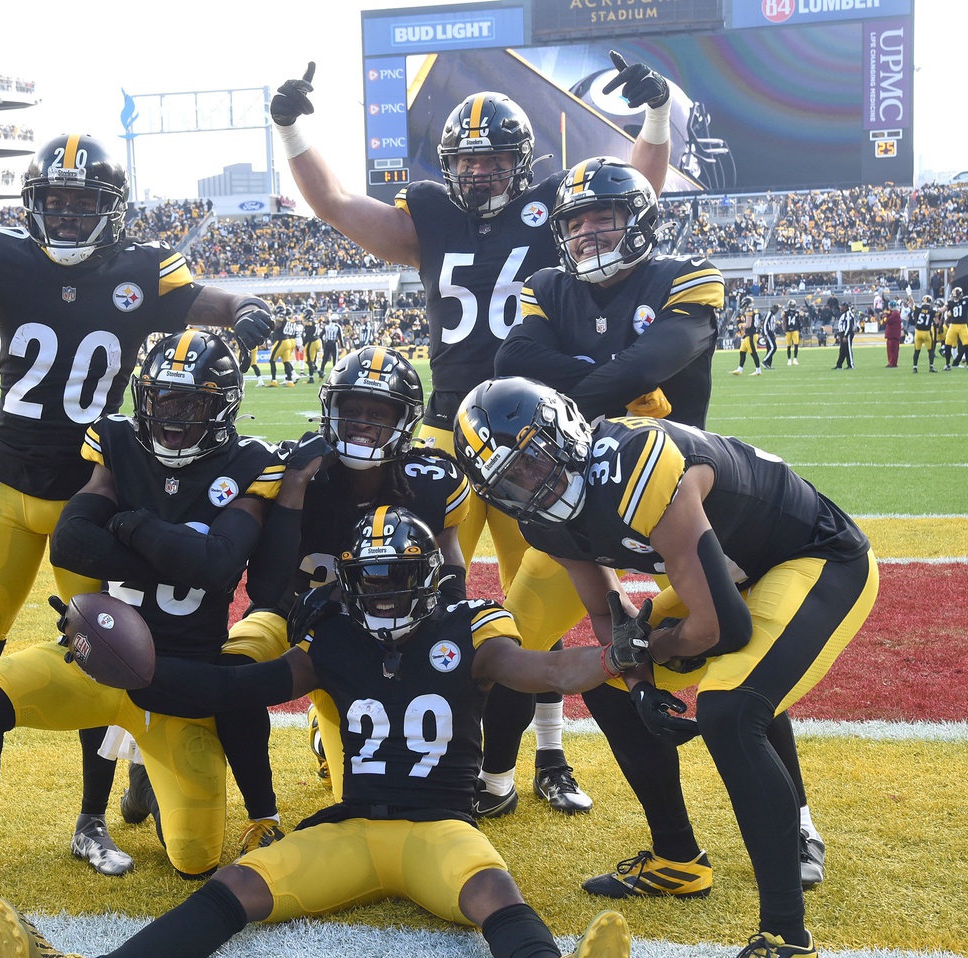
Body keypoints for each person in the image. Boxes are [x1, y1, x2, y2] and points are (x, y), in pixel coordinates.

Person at [0, 506, 653, 958]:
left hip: (441, 827)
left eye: (397, 577)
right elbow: (238, 686)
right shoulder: (335, 637)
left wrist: (616, 656)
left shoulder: (471, 630)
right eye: (372, 578)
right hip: (354, 828)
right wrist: (142, 674)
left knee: (491, 889)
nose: (384, 591)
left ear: (427, 576)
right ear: (351, 580)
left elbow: (552, 673)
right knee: (238, 883)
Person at [269, 54, 675, 813]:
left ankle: (549, 755)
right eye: (467, 159)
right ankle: (381, 728)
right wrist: (290, 126)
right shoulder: (429, 217)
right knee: (409, 581)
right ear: (448, 165)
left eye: (493, 159)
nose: (481, 172)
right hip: (446, 432)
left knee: (542, 603)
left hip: (534, 440)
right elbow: (332, 202)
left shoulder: (556, 214)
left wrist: (653, 119)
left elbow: (635, 185)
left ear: (522, 163)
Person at [0, 134, 275, 885]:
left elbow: (212, 300)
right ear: (33, 205)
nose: (65, 214)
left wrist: (248, 305)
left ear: (108, 210)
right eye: (54, 201)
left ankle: (89, 818)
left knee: (105, 649)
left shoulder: (141, 268)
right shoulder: (0, 254)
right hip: (6, 488)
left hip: (93, 490)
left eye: (81, 201)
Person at [454, 377, 878, 958]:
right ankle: (678, 857)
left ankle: (788, 941)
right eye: (513, 480)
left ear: (565, 431)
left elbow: (720, 628)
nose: (533, 485)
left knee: (734, 712)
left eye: (536, 460)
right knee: (610, 684)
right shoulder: (545, 523)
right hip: (730, 571)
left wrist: (643, 655)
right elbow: (605, 614)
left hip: (812, 556)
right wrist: (635, 677)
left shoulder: (636, 464)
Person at [0, 330, 293, 958]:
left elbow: (216, 569)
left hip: (181, 679)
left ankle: (148, 779)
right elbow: (72, 543)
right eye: (160, 400)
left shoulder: (252, 462)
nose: (170, 417)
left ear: (222, 404)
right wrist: (173, 548)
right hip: (95, 659)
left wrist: (130, 525)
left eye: (188, 403)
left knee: (195, 861)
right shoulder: (119, 442)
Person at [489, 155, 722, 816]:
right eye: (577, 220)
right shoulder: (547, 285)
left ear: (640, 220)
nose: (588, 231)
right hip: (579, 503)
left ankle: (794, 822)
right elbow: (514, 360)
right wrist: (612, 376)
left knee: (741, 652)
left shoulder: (686, 276)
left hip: (677, 497)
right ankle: (493, 777)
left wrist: (582, 383)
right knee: (518, 634)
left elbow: (656, 358)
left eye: (604, 216)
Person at [223, 345, 471, 800]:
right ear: (330, 409)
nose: (361, 422)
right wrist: (296, 487)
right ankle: (262, 812)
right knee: (233, 666)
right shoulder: (293, 468)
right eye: (352, 409)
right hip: (288, 615)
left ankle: (328, 726)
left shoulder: (431, 479)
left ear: (405, 421)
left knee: (363, 794)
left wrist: (451, 617)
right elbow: (265, 580)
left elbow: (450, 560)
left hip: (376, 632)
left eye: (378, 413)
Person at [730, 296, 760, 376]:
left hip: (751, 334)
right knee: (742, 352)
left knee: (753, 353)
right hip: (750, 334)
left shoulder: (749, 310)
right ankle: (740, 369)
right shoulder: (754, 310)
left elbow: (748, 325)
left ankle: (758, 370)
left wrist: (741, 325)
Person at [910, 295, 936, 372]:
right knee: (931, 351)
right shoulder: (932, 311)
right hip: (927, 333)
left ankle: (915, 367)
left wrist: (910, 295)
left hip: (918, 332)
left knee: (917, 351)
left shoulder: (918, 309)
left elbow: (912, 304)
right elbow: (937, 316)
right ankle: (931, 367)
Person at [833, 303, 858, 370]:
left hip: (847, 333)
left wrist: (845, 335)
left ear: (845, 307)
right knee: (843, 350)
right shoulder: (845, 314)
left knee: (848, 349)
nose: (840, 308)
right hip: (843, 333)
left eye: (841, 306)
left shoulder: (847, 314)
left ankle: (851, 365)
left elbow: (848, 326)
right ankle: (839, 365)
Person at [782, 299, 805, 366]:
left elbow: (799, 321)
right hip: (789, 331)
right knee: (790, 346)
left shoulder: (787, 312)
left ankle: (793, 359)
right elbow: (784, 322)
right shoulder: (794, 312)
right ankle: (790, 359)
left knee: (795, 345)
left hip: (793, 330)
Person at [883, 298, 902, 368]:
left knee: (893, 350)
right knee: (890, 350)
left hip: (893, 335)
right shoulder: (894, 313)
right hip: (891, 335)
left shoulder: (896, 314)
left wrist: (884, 315)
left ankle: (893, 363)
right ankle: (890, 362)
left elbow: (887, 320)